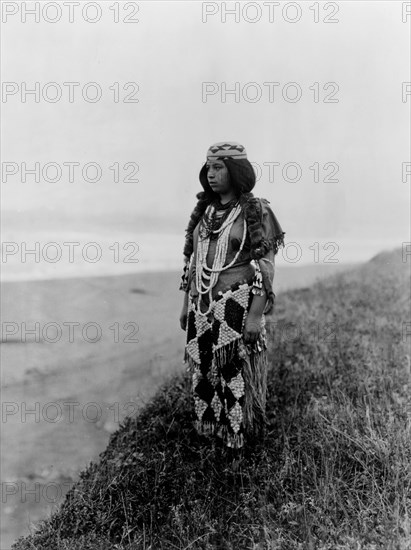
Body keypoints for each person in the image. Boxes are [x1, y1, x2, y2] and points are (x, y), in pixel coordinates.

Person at [179, 141, 285, 452]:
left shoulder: (256, 211)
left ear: (235, 171)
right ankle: (210, 436)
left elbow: (266, 268)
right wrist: (185, 305)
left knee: (233, 372)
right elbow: (192, 262)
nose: (210, 174)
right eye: (208, 167)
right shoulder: (205, 212)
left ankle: (240, 440)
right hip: (202, 306)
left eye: (218, 167)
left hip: (236, 305)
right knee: (203, 372)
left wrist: (254, 317)